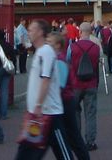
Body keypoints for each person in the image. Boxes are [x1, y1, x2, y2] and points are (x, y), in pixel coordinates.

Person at [13, 18, 70, 160]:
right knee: (28, 149)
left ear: (40, 32)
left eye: (32, 29)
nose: (29, 32)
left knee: (60, 151)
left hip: (48, 112)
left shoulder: (46, 52)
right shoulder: (40, 52)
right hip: (38, 113)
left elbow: (46, 79)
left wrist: (38, 105)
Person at [49, 32, 90, 160]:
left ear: (57, 45)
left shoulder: (59, 61)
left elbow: (60, 85)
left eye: (49, 43)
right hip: (64, 101)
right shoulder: (58, 59)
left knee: (71, 136)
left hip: (64, 102)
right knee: (70, 135)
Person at [70, 22, 100, 152]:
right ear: (91, 32)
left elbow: (67, 63)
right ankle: (91, 142)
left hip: (75, 84)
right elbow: (97, 65)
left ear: (80, 32)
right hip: (91, 83)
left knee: (75, 113)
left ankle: (76, 141)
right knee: (91, 114)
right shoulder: (96, 47)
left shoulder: (73, 47)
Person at [0, 28, 16, 120]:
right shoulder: (8, 45)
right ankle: (3, 114)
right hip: (6, 69)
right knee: (4, 91)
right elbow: (13, 58)